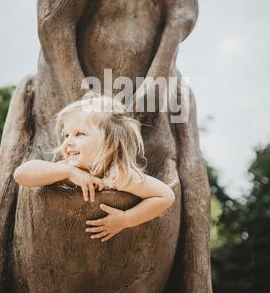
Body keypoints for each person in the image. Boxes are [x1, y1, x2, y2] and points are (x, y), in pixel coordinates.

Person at [13, 91, 175, 242]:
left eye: (79, 134)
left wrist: (126, 219)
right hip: (58, 239)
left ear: (109, 143)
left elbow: (165, 196)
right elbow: (21, 175)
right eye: (66, 135)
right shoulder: (64, 169)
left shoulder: (117, 176)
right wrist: (67, 171)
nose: (68, 141)